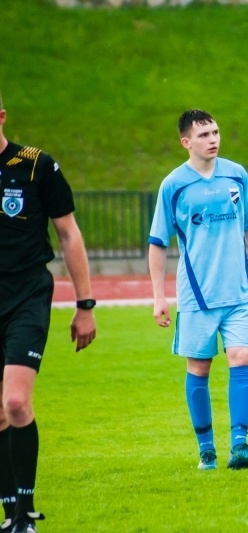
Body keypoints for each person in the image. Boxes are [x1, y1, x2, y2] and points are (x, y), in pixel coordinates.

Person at [148, 109, 248, 472]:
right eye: (203, 135)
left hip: (239, 291)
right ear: (186, 142)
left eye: (215, 132)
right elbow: (158, 242)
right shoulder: (174, 185)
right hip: (196, 295)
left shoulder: (237, 175)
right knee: (199, 368)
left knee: (240, 358)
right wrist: (158, 295)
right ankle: (206, 450)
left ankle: (239, 445)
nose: (213, 139)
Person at [0, 91, 97, 533]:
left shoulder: (37, 165)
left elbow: (68, 234)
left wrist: (85, 305)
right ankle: (9, 514)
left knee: (16, 403)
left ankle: (25, 514)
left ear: (2, 116)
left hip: (25, 295)